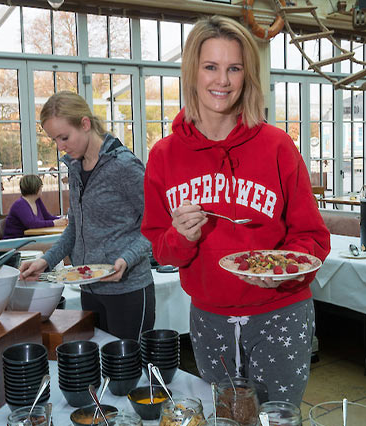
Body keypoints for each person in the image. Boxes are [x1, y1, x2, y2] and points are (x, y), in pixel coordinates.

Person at [141, 15, 330, 406]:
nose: (222, 81)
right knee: (225, 416)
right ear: (193, 72)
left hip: (282, 312)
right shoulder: (163, 156)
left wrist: (280, 271)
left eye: (234, 68)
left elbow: (312, 237)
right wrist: (181, 236)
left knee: (277, 416)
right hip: (209, 317)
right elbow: (161, 249)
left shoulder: (278, 146)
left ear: (248, 76)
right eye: (210, 67)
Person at [20, 91, 155, 341]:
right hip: (89, 287)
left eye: (64, 137)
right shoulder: (74, 167)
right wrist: (46, 261)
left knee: (128, 372)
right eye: (55, 140)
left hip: (128, 290)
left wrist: (127, 258)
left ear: (85, 124)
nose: (60, 146)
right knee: (99, 367)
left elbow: (158, 224)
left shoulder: (124, 166)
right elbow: (75, 228)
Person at [3, 174, 67, 239]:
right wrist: (53, 223)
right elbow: (32, 224)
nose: (41, 188)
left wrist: (62, 220)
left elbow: (47, 217)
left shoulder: (37, 200)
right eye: (40, 187)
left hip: (30, 239)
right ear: (35, 188)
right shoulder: (20, 205)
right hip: (15, 242)